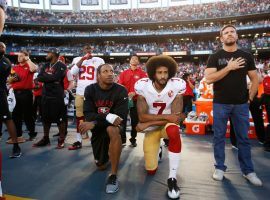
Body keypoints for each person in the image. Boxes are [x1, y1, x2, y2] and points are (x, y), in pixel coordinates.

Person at [205, 25, 262, 186]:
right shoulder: (215, 56)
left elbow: (255, 79)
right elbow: (209, 78)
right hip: (221, 103)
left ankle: (248, 171)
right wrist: (229, 68)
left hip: (241, 104)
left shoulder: (246, 56)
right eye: (226, 33)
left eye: (232, 32)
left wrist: (250, 98)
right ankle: (220, 168)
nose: (229, 34)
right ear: (221, 38)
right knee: (219, 137)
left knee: (243, 139)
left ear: (237, 36)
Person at [135, 55, 186, 199]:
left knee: (173, 130)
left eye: (165, 72)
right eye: (159, 72)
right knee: (150, 170)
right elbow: (142, 117)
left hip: (164, 126)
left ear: (170, 72)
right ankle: (158, 151)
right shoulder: (142, 86)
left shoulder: (176, 85)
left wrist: (150, 122)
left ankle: (172, 178)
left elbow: (175, 119)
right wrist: (166, 117)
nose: (163, 76)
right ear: (153, 73)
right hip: (152, 130)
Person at [79, 64, 128, 193]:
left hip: (115, 128)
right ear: (98, 76)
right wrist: (106, 118)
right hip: (99, 129)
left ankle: (113, 175)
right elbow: (88, 114)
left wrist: (95, 122)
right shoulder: (90, 89)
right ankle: (109, 150)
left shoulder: (121, 90)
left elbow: (119, 118)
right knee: (100, 166)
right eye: (105, 71)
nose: (110, 73)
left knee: (112, 129)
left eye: (111, 71)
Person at [69, 44, 105, 150]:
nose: (88, 50)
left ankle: (96, 138)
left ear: (92, 49)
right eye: (86, 48)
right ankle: (78, 140)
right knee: (80, 117)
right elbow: (72, 73)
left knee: (95, 116)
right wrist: (83, 59)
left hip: (94, 92)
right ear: (83, 50)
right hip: (80, 92)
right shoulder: (77, 59)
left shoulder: (99, 60)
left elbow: (101, 75)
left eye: (90, 48)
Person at [33, 48, 67, 149]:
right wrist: (49, 78)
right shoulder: (45, 65)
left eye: (48, 53)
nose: (46, 55)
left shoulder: (61, 65)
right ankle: (45, 138)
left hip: (57, 96)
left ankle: (61, 139)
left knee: (60, 119)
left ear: (54, 54)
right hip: (45, 95)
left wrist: (46, 78)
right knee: (45, 119)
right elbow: (39, 77)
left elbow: (56, 78)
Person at [7, 50, 38, 142]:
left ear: (26, 57)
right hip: (15, 93)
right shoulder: (15, 68)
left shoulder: (29, 66)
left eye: (21, 56)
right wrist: (11, 80)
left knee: (28, 115)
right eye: (18, 56)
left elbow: (34, 69)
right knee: (16, 115)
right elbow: (10, 80)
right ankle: (18, 134)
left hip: (26, 93)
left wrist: (28, 59)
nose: (19, 57)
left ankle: (32, 134)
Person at [118, 55, 147, 147]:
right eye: (132, 58)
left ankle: (133, 139)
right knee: (122, 120)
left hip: (136, 100)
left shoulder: (142, 74)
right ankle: (122, 139)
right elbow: (120, 86)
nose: (134, 60)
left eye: (136, 59)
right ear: (129, 61)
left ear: (138, 62)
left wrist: (135, 93)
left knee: (135, 121)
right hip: (124, 100)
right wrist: (126, 94)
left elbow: (144, 87)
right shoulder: (123, 73)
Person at [0, 42, 21, 158]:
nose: (2, 48)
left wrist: (10, 80)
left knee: (7, 119)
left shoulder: (5, 62)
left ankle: (16, 146)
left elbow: (17, 77)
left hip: (0, 94)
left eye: (3, 47)